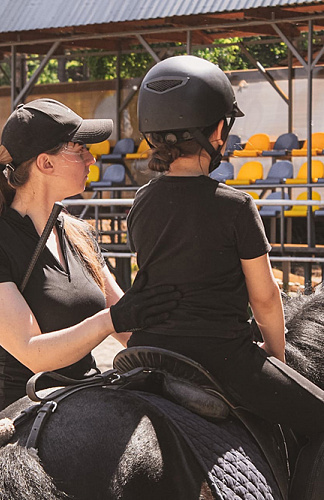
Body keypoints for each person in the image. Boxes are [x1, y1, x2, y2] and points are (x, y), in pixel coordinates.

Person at [127, 55, 324, 499]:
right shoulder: (236, 206)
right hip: (222, 358)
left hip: (144, 350)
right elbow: (267, 299)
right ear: (217, 132)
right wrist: (277, 357)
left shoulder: (141, 201)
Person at [0, 98, 180, 427]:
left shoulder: (80, 235)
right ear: (45, 163)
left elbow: (131, 329)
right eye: (80, 150)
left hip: (85, 402)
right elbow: (35, 354)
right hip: (22, 417)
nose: (92, 158)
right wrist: (109, 321)